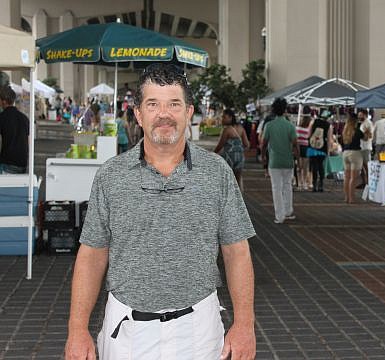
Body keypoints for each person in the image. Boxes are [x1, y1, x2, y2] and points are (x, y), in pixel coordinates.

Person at [64, 63, 256, 360]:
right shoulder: (111, 175)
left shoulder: (216, 172)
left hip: (200, 331)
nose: (164, 114)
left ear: (189, 112)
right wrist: (77, 329)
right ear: (138, 114)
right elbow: (92, 255)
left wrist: (244, 325)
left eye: (174, 104)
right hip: (127, 333)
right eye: (153, 104)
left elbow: (236, 251)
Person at [262, 98, 299, 224]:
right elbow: (295, 144)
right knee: (287, 186)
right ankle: (288, 211)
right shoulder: (290, 126)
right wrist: (297, 159)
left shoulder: (269, 126)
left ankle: (280, 216)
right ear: (285, 110)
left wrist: (264, 159)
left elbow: (263, 144)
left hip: (274, 162)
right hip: (288, 161)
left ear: (273, 110)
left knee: (276, 188)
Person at [214, 108, 250, 191]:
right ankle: (240, 201)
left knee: (228, 180)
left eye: (224, 117)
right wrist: (239, 150)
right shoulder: (241, 128)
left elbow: (220, 145)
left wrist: (212, 154)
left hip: (229, 158)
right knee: (238, 179)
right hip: (240, 157)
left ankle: (230, 201)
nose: (222, 119)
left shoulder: (227, 130)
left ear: (230, 117)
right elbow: (247, 144)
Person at [0, 86, 29, 174]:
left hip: (7, 162)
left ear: (4, 101)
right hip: (22, 163)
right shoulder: (24, 118)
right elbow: (28, 141)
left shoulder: (2, 117)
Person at [307, 110, 334, 192]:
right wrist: (328, 151)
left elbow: (308, 135)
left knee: (314, 165)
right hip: (322, 147)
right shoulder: (329, 126)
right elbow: (329, 139)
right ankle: (321, 184)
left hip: (312, 146)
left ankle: (314, 184)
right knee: (320, 165)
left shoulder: (313, 122)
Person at [341, 112, 364, 204]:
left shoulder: (345, 131)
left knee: (346, 177)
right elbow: (366, 138)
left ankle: (346, 197)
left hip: (345, 153)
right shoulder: (357, 130)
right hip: (355, 154)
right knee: (353, 178)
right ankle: (351, 198)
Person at [295, 114, 311, 190]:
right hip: (306, 147)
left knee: (299, 166)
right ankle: (304, 182)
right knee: (305, 167)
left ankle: (299, 182)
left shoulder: (297, 128)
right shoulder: (309, 129)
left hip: (298, 147)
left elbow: (296, 138)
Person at [358, 108, 373, 187]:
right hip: (361, 147)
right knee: (362, 166)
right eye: (359, 115)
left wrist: (364, 134)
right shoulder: (362, 123)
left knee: (367, 166)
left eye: (361, 115)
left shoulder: (368, 123)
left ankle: (369, 183)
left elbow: (370, 135)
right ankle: (364, 182)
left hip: (366, 147)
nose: (359, 116)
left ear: (365, 115)